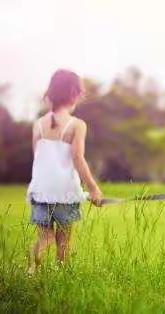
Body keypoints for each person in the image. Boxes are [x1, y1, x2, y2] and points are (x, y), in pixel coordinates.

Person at [26, 69, 103, 274]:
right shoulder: (77, 125)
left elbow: (38, 159)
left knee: (45, 237)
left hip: (40, 190)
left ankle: (32, 270)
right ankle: (61, 275)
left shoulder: (38, 125)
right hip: (65, 192)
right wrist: (93, 189)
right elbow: (78, 159)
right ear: (74, 94)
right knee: (63, 241)